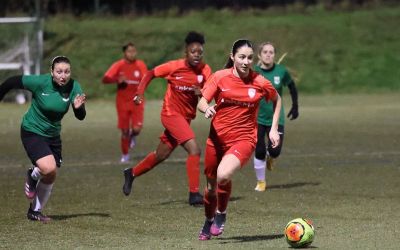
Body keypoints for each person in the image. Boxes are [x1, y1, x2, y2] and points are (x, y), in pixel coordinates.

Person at [196, 39, 281, 240]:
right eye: (241, 57)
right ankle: (208, 221)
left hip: (244, 139)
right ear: (232, 56)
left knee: (223, 175)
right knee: (209, 189)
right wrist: (206, 108)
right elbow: (202, 101)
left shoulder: (259, 81)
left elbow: (277, 99)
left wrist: (274, 129)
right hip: (216, 140)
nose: (246, 61)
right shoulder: (220, 77)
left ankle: (221, 214)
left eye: (250, 57)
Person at [122, 31, 212, 206]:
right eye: (193, 52)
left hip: (185, 119)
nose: (197, 55)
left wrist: (201, 92)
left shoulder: (205, 70)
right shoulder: (174, 66)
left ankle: (131, 173)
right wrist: (139, 93)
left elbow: (210, 91)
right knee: (195, 150)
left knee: (161, 154)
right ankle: (194, 195)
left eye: (200, 52)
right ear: (186, 51)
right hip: (170, 114)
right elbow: (149, 74)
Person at [0, 56, 86, 222]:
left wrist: (78, 108)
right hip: (32, 130)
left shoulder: (74, 86)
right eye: (59, 71)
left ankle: (35, 212)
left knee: (51, 174)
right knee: (48, 167)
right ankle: (32, 176)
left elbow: (81, 116)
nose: (63, 75)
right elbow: (11, 82)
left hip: (53, 135)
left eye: (67, 71)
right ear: (52, 72)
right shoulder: (40, 82)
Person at [253, 42, 299, 192]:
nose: (268, 54)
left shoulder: (281, 71)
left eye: (271, 52)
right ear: (259, 55)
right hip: (257, 118)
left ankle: (271, 157)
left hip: (276, 119)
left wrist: (295, 106)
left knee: (275, 151)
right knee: (259, 150)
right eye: (265, 52)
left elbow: (292, 87)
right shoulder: (253, 72)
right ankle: (261, 182)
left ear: (274, 55)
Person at [102, 42, 148, 163]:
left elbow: (146, 78)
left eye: (134, 51)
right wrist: (117, 79)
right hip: (122, 102)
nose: (132, 54)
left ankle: (133, 136)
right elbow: (105, 78)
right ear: (124, 53)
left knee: (137, 129)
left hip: (137, 101)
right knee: (124, 130)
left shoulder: (140, 65)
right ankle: (125, 154)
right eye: (129, 51)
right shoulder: (118, 65)